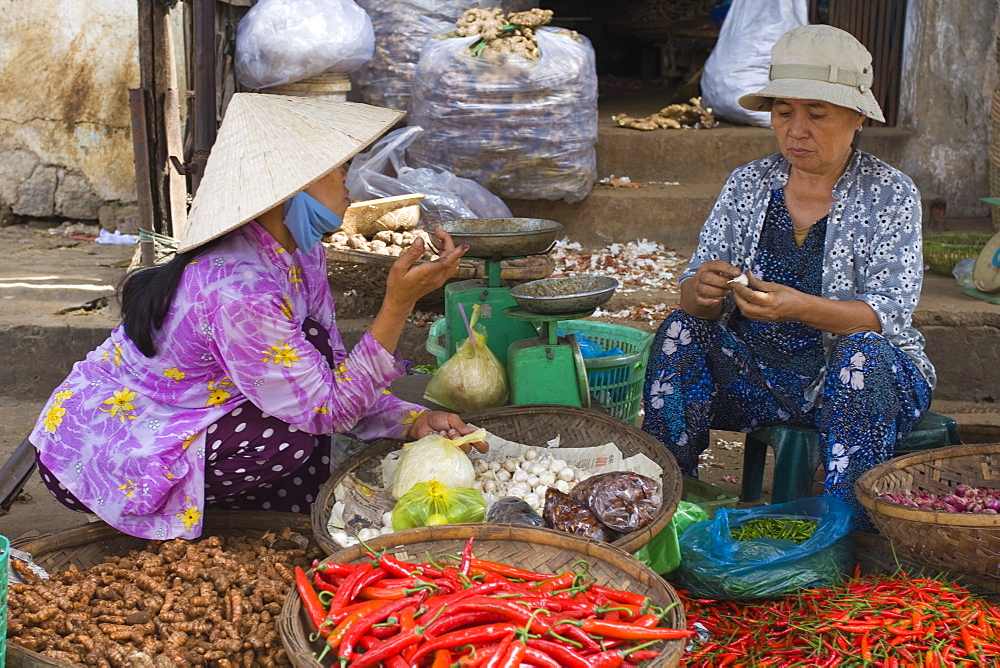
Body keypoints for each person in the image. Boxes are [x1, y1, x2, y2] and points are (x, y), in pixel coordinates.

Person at [30, 93, 484, 540]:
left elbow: (331, 376)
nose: (349, 179)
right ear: (291, 189)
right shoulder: (240, 291)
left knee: (305, 391)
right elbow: (328, 409)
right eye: (337, 168)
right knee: (290, 436)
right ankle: (162, 516)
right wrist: (398, 304)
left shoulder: (300, 254)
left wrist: (409, 421)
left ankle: (247, 516)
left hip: (191, 411)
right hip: (106, 452)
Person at [641, 25, 934, 529]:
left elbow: (887, 313)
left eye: (816, 114)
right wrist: (705, 292)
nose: (796, 130)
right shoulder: (749, 184)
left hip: (865, 381)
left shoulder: (890, 193)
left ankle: (843, 530)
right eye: (783, 113)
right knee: (678, 330)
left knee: (859, 351)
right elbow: (695, 292)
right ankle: (668, 501)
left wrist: (798, 307)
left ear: (857, 116)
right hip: (761, 378)